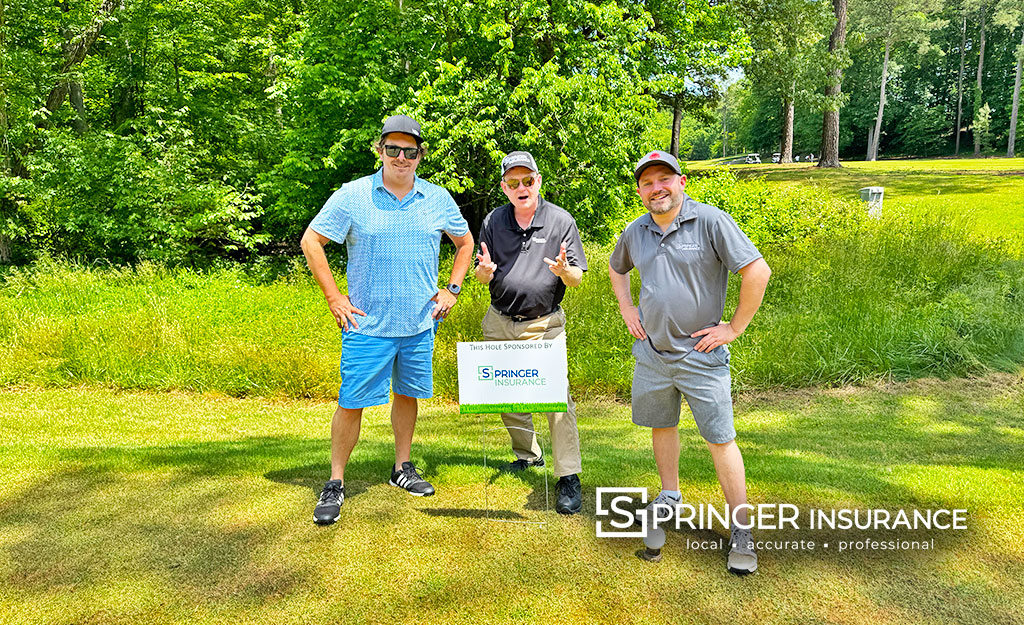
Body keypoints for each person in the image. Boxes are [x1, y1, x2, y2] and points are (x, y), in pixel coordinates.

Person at [301, 114, 474, 526]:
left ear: (420, 156)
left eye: (409, 151)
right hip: (366, 325)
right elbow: (312, 240)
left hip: (418, 324)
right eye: (392, 149)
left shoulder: (437, 198)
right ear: (380, 150)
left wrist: (453, 289)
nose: (400, 157)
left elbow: (465, 242)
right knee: (351, 402)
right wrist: (334, 296)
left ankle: (402, 468)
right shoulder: (353, 195)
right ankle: (335, 482)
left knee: (408, 395)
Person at [608, 150, 771, 574]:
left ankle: (741, 528)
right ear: (640, 190)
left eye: (665, 179)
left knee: (720, 438)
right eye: (647, 182)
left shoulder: (711, 220)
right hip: (653, 355)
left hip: (701, 355)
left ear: (682, 183)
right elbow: (617, 269)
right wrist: (627, 310)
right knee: (662, 426)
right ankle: (670, 496)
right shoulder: (635, 231)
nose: (656, 188)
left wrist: (732, 328)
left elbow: (757, 271)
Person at [474, 150, 587, 515]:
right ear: (505, 187)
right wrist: (484, 274)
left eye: (527, 180)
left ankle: (567, 475)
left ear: (538, 181)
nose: (521, 187)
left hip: (544, 323)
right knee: (504, 393)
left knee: (556, 398)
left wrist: (563, 271)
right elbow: (483, 272)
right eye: (513, 182)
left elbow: (578, 278)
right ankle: (527, 455)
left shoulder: (561, 221)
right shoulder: (493, 220)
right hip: (499, 319)